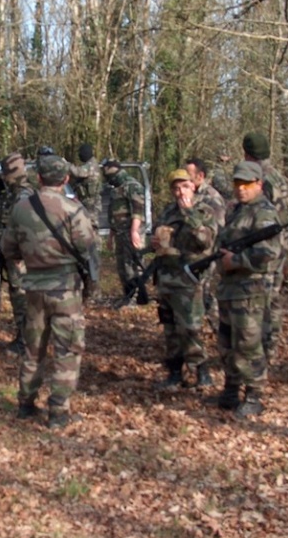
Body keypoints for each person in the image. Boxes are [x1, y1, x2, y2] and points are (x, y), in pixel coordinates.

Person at [0, 155, 96, 429]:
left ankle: (25, 405)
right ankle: (58, 412)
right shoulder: (73, 209)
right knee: (67, 350)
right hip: (66, 290)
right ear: (65, 179)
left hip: (33, 289)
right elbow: (87, 246)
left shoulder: (21, 209)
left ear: (38, 178)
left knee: (33, 349)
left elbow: (8, 249)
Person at [215, 161, 282, 417]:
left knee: (249, 344)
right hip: (230, 290)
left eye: (246, 184)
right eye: (237, 184)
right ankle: (231, 388)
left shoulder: (263, 212)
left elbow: (269, 252)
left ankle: (254, 395)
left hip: (250, 290)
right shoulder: (236, 210)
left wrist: (237, 261)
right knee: (227, 342)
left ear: (259, 185)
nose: (241, 189)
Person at [151, 169, 219, 390]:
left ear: (193, 186)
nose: (180, 192)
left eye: (185, 186)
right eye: (176, 188)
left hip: (190, 280)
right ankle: (174, 373)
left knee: (190, 328)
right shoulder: (168, 212)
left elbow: (204, 241)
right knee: (170, 329)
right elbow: (158, 237)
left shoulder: (204, 211)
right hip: (167, 278)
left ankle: (202, 372)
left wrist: (189, 212)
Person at [242, 132, 288, 361]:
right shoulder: (278, 177)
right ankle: (267, 348)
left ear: (247, 154)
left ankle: (265, 350)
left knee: (265, 298)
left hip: (266, 246)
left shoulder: (260, 179)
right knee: (273, 297)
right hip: (281, 245)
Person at [0, 152, 35, 355]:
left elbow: (24, 229)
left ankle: (25, 341)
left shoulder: (23, 195)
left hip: (21, 258)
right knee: (18, 296)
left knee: (22, 298)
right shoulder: (15, 194)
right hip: (15, 255)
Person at [185, 157, 227, 332]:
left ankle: (220, 329)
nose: (185, 179)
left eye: (189, 175)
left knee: (206, 293)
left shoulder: (212, 198)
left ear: (200, 176)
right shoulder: (190, 194)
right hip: (192, 253)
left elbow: (217, 230)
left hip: (209, 254)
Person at [102, 160, 146, 301]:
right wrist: (111, 236)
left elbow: (138, 210)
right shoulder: (116, 189)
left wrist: (134, 231)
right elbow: (113, 214)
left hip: (131, 232)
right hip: (120, 233)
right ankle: (127, 295)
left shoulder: (132, 186)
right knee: (122, 267)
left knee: (132, 265)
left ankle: (136, 296)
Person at [69, 143, 103, 293]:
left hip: (90, 210)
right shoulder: (90, 166)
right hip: (84, 208)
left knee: (91, 246)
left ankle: (93, 288)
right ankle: (88, 287)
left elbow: (77, 172)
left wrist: (65, 164)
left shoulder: (91, 166)